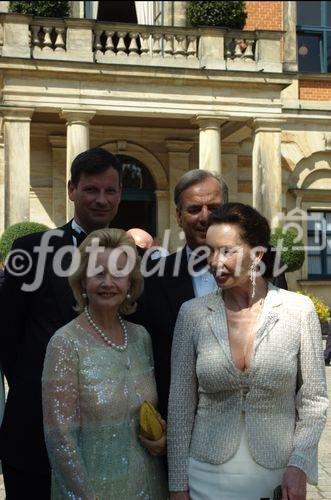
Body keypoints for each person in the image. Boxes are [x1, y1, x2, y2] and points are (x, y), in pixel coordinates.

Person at [167, 203, 328, 500]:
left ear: (257, 255)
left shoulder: (298, 311)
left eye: (227, 251)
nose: (215, 261)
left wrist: (300, 463)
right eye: (210, 250)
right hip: (204, 474)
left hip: (277, 476)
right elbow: (179, 406)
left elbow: (314, 400)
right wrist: (178, 486)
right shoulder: (192, 314)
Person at [0, 147, 122, 499]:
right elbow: (7, 334)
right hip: (33, 431)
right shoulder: (31, 249)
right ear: (71, 190)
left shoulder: (138, 259)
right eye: (91, 190)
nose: (101, 200)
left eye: (109, 191)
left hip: (111, 438)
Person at [42, 228, 168, 499]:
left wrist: (160, 439)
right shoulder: (65, 343)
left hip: (151, 487)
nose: (108, 283)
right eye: (99, 273)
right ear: (82, 282)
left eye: (118, 274)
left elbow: (146, 412)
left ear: (131, 284)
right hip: (94, 491)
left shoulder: (141, 337)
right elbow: (60, 441)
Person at [131, 169, 228, 418]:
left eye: (214, 208)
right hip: (176, 421)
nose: (205, 217)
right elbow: (142, 359)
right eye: (194, 209)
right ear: (178, 216)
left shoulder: (258, 274)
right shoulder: (151, 277)